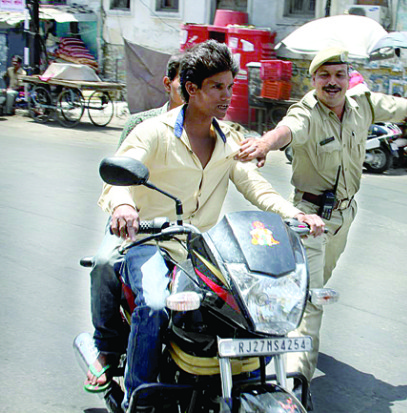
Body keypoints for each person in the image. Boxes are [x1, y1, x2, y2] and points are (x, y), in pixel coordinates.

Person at [235, 47, 407, 404]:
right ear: (313, 81)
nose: (332, 83)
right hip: (308, 217)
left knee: (312, 284)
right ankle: (293, 386)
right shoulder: (306, 111)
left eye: (339, 75)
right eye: (324, 76)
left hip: (343, 216)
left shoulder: (363, 103)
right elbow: (285, 131)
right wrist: (264, 143)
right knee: (313, 300)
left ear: (347, 77)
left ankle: (276, 330)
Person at [86, 40, 325, 409]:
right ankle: (140, 395)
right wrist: (123, 206)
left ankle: (247, 381)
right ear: (191, 89)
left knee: (244, 303)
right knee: (153, 304)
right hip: (151, 242)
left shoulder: (230, 139)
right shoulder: (153, 132)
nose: (226, 95)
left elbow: (255, 186)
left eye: (230, 86)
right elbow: (120, 174)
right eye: (217, 87)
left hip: (200, 249)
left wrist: (295, 216)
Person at [84, 53, 186, 395]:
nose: (189, 90)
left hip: (182, 228)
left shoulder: (207, 129)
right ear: (168, 83)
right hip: (136, 225)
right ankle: (107, 347)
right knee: (103, 263)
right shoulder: (141, 124)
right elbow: (118, 179)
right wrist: (124, 208)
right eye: (183, 82)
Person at [118, 53, 185, 145]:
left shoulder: (207, 131)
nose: (190, 88)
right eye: (183, 81)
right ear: (167, 84)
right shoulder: (139, 124)